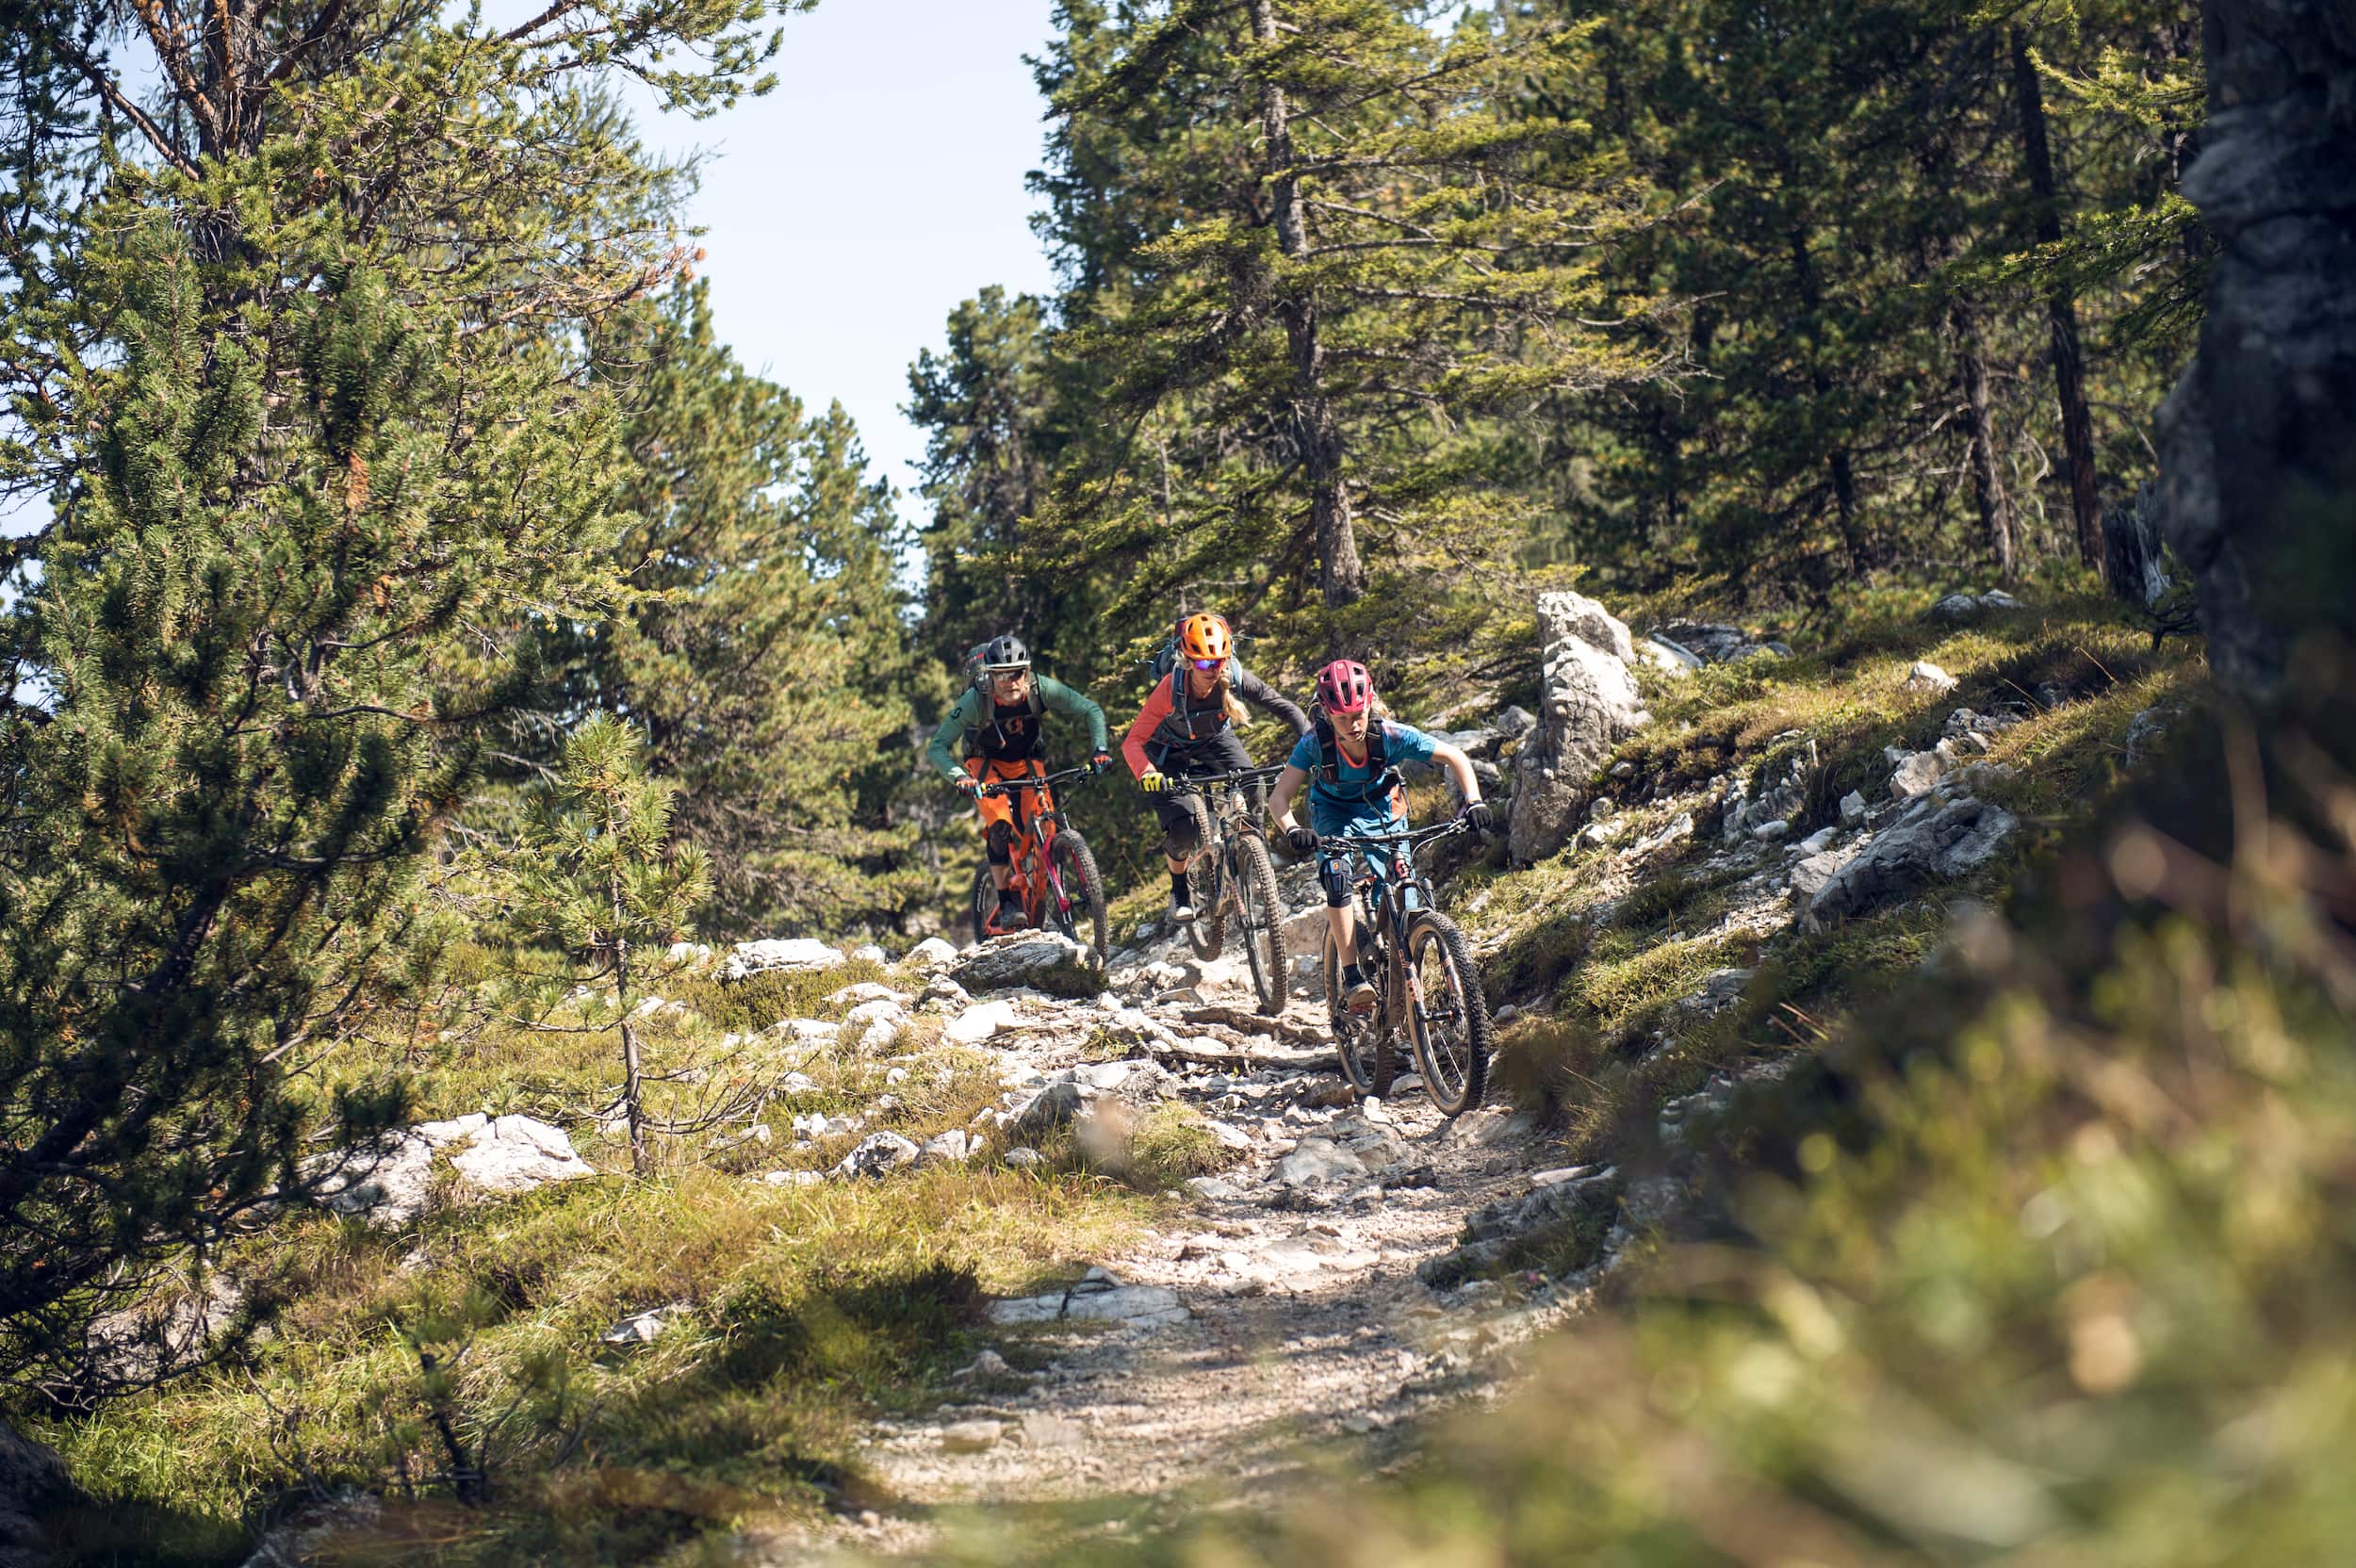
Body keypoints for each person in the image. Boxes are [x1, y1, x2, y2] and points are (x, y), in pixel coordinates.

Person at [1264, 659, 1493, 1011]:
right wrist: (1293, 829)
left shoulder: (1390, 735)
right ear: (1326, 713)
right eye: (1342, 718)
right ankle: (1353, 974)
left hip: (1384, 807)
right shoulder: (1314, 744)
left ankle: (1407, 958)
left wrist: (1473, 801)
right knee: (1337, 876)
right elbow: (1279, 798)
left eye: (1359, 714)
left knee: (1404, 881)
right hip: (1333, 812)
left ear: (1370, 703)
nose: (1353, 725)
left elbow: (1455, 757)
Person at [1121, 612, 1312, 923]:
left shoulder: (1234, 675)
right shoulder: (1170, 688)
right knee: (1184, 830)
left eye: (1219, 661)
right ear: (1187, 659)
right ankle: (1180, 889)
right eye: (1204, 663)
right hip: (1167, 750)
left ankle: (1254, 853)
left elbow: (1284, 706)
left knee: (1254, 784)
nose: (1213, 669)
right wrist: (1148, 772)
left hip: (1213, 739)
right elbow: (1133, 741)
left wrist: (1310, 739)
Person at [925, 634, 1111, 935]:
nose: (1010, 682)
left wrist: (1100, 750)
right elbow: (938, 746)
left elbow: (1090, 710)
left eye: (1017, 674)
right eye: (1001, 676)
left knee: (1046, 823)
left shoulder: (1041, 689)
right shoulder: (976, 701)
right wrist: (959, 776)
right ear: (990, 676)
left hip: (1027, 762)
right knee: (999, 824)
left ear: (1027, 672)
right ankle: (1008, 902)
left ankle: (1047, 893)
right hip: (984, 765)